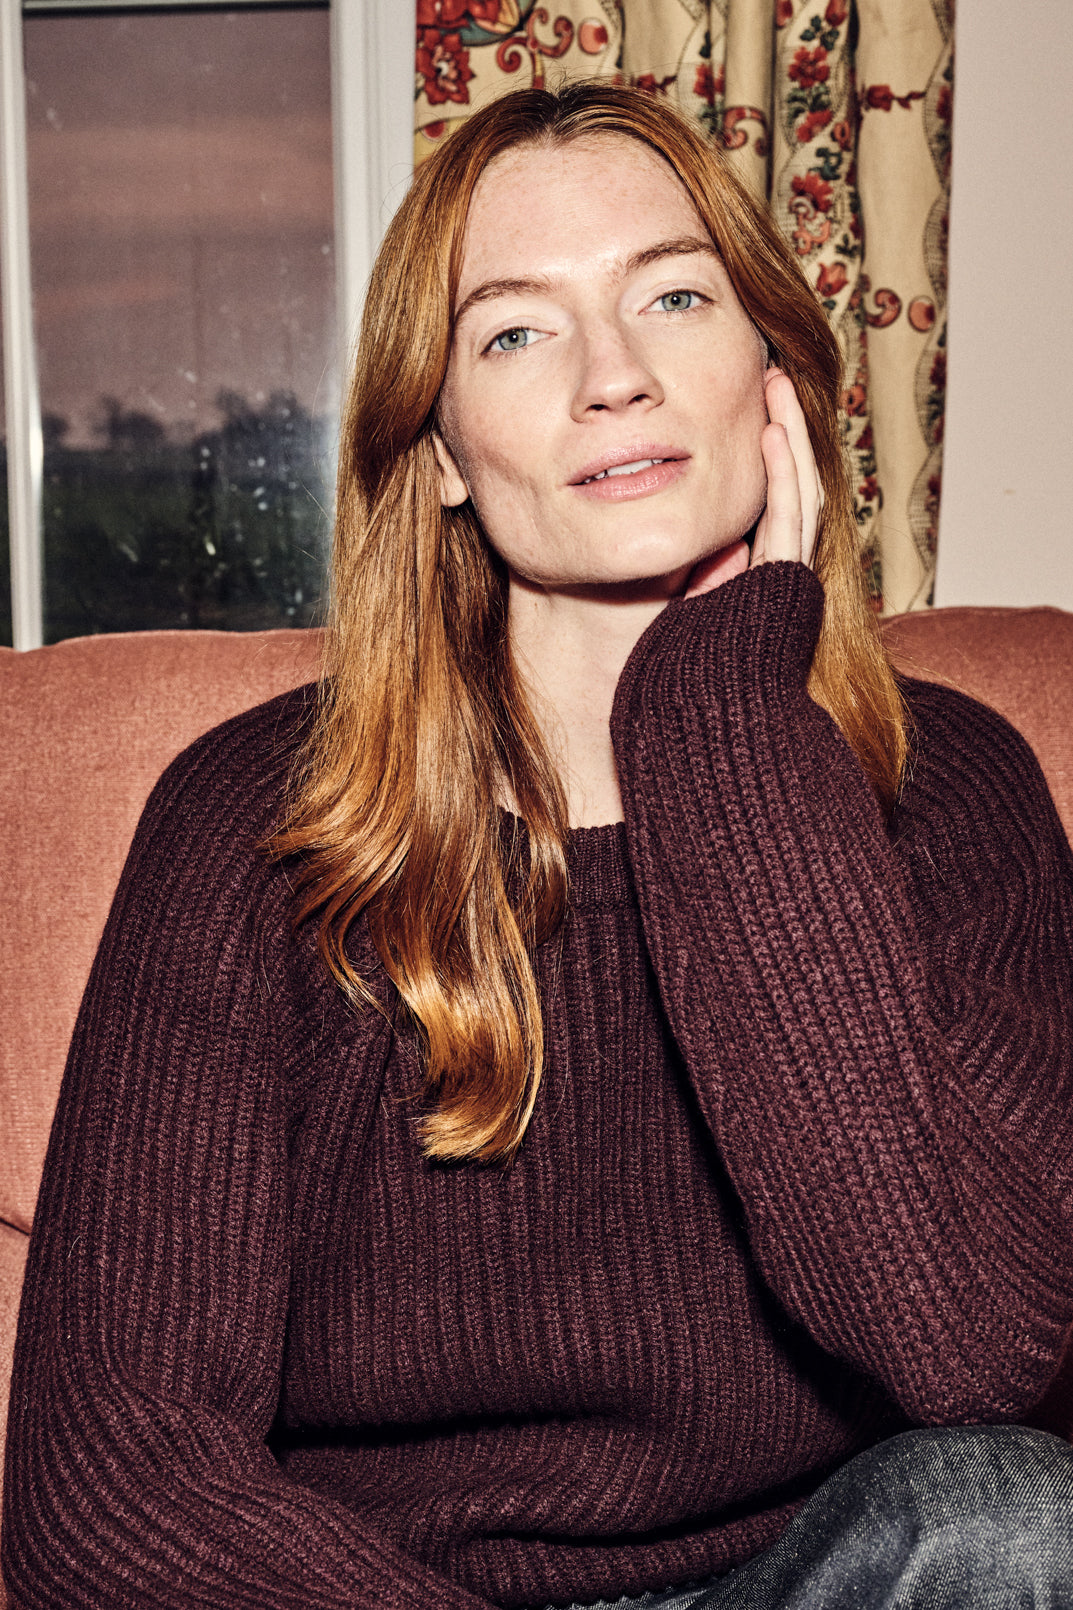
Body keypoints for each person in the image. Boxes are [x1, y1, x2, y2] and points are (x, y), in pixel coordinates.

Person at [4, 82, 1073, 1610]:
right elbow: (110, 1491)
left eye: (675, 296)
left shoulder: (950, 785)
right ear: (435, 450)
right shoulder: (257, 818)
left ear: (770, 368)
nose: (613, 379)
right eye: (515, 330)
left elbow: (967, 1349)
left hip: (820, 1579)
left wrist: (723, 729)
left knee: (1015, 1516)